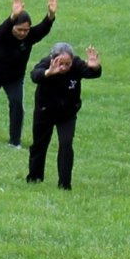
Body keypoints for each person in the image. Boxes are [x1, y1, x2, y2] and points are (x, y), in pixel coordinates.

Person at [0, 0, 55, 146]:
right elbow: (2, 29)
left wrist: (50, 15)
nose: (22, 33)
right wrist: (13, 16)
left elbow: (43, 29)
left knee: (17, 104)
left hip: (14, 77)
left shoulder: (29, 36)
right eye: (19, 29)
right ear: (13, 27)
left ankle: (14, 142)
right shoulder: (3, 34)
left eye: (25, 30)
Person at [26, 42, 103, 190]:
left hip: (67, 113)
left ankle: (64, 184)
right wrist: (49, 72)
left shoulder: (76, 64)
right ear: (53, 59)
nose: (64, 67)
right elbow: (35, 75)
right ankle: (35, 177)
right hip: (45, 111)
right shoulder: (46, 63)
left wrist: (95, 66)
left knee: (66, 144)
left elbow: (91, 73)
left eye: (67, 63)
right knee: (39, 145)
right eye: (61, 63)